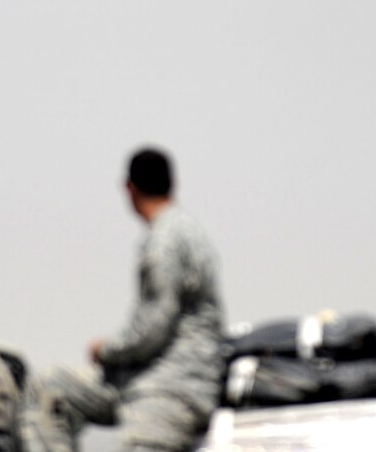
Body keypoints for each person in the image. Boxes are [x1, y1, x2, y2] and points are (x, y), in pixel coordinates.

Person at [22, 147, 225, 452]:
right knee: (50, 387)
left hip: (170, 387)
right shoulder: (185, 231)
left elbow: (154, 325)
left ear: (129, 189)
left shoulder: (165, 241)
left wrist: (108, 350)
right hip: (143, 377)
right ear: (174, 183)